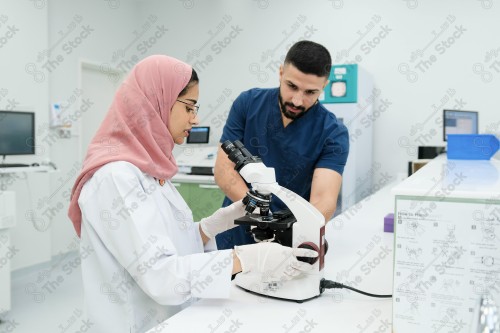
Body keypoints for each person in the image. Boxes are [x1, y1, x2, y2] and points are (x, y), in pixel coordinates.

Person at [67, 55, 317, 333]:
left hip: (174, 317)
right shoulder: (114, 179)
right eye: (189, 107)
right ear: (155, 103)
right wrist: (248, 258)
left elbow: (170, 244)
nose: (195, 118)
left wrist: (215, 224)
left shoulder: (150, 170)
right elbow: (161, 277)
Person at [214, 41, 349, 250]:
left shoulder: (333, 133)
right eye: (292, 86)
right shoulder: (247, 104)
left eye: (310, 92)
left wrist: (294, 231)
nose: (297, 100)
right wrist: (260, 215)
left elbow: (323, 199)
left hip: (288, 241)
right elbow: (224, 170)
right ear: (280, 73)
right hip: (235, 234)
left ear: (324, 87)